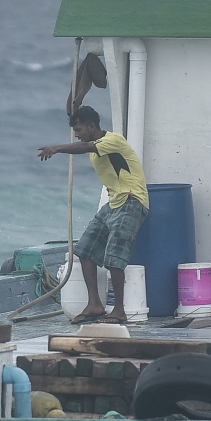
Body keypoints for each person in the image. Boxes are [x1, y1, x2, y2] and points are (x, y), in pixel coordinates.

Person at [37, 105, 149, 323]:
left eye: (79, 129)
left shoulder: (113, 140)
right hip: (115, 202)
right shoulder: (94, 148)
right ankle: (95, 305)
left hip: (132, 200)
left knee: (113, 257)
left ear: (92, 126)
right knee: (85, 251)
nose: (77, 135)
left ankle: (119, 310)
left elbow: (87, 146)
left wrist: (57, 148)